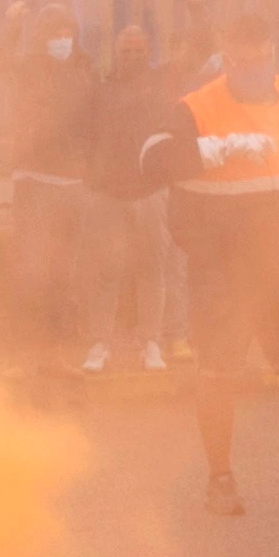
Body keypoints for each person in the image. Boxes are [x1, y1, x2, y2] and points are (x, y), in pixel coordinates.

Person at [134, 8, 279, 514]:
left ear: (273, 55)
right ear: (225, 58)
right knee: (219, 374)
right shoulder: (196, 108)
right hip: (221, 269)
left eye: (262, 59)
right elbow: (150, 162)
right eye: (243, 61)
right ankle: (220, 480)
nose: (254, 69)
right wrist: (217, 149)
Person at [0, 0, 105, 366]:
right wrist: (12, 28)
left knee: (66, 260)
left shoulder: (85, 69)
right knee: (32, 258)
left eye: (68, 33)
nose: (63, 40)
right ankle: (27, 332)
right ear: (43, 36)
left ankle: (59, 330)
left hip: (73, 180)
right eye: (56, 33)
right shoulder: (29, 67)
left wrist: (91, 165)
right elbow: (2, 63)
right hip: (35, 175)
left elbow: (96, 119)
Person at [94, 23, 179, 375]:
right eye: (126, 51)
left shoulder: (162, 85)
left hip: (151, 191)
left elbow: (198, 51)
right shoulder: (102, 90)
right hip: (109, 192)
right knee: (105, 270)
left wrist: (196, 8)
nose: (132, 57)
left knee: (152, 269)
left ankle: (151, 344)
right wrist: (92, 178)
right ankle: (100, 344)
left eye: (139, 51)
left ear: (149, 52)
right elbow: (86, 133)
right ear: (116, 52)